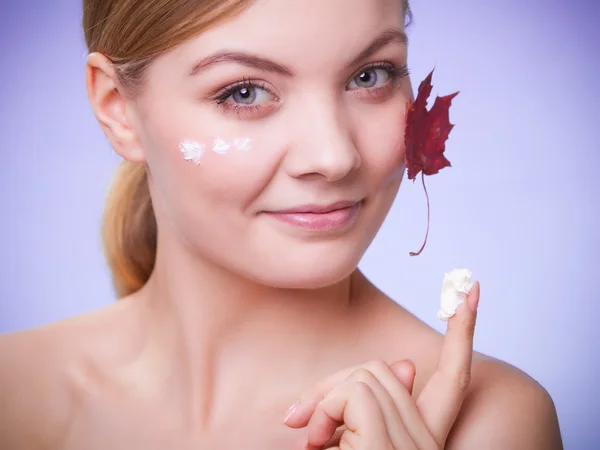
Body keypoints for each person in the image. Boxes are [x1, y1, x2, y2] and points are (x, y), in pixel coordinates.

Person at [0, 0, 563, 448]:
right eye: (244, 91)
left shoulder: (489, 424)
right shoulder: (13, 394)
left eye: (371, 76)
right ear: (117, 108)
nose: (334, 155)